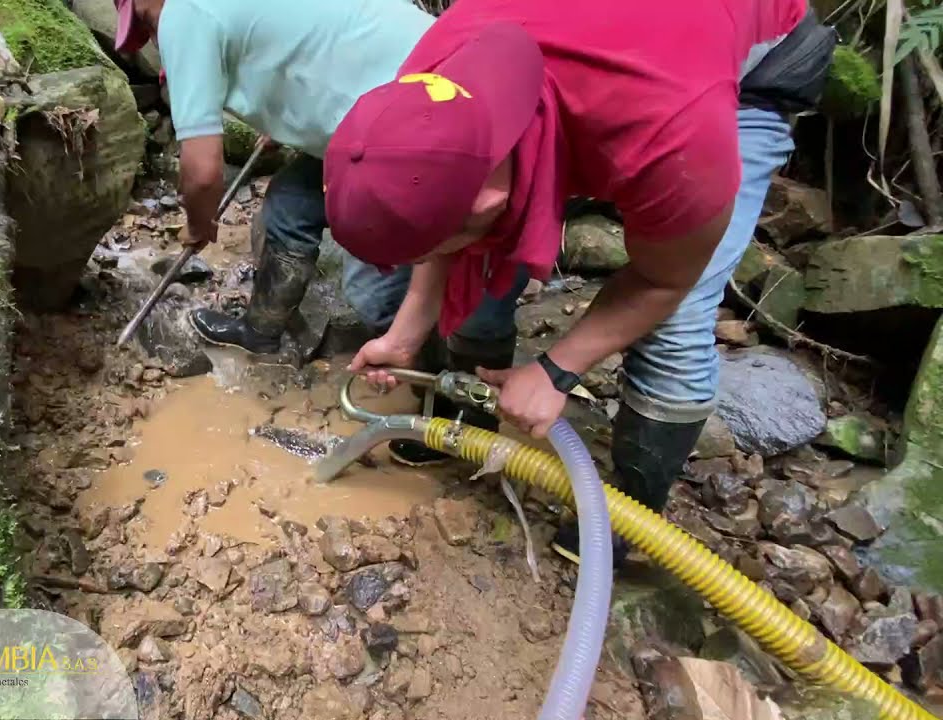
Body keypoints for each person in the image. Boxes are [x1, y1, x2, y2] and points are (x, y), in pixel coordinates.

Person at [322, 0, 835, 563]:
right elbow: (443, 215)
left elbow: (664, 281)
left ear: (490, 197)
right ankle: (458, 431)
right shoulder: (430, 86)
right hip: (616, 56)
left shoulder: (671, 133)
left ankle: (633, 522)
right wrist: (405, 333)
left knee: (679, 319)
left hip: (751, 66)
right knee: (481, 252)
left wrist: (556, 369)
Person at [112, 0, 527, 448]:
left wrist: (198, 223)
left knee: (390, 295)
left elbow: (203, 171)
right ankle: (262, 330)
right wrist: (285, 117)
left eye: (144, 24)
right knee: (291, 203)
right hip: (381, 113)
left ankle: (457, 425)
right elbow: (307, 43)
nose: (154, 36)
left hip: (444, 119)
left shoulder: (184, 11)